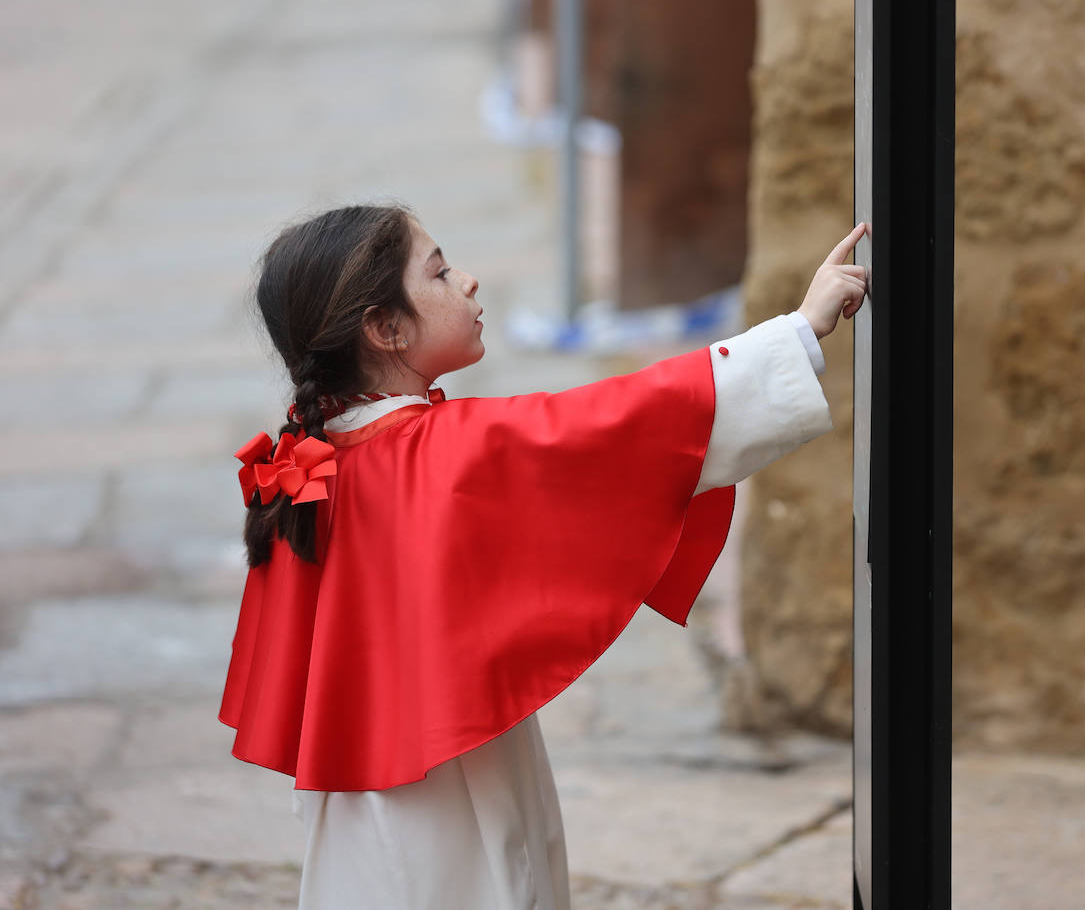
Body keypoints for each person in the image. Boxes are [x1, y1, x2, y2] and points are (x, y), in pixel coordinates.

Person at [219, 203, 869, 909]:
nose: (468, 282)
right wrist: (801, 329)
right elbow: (624, 425)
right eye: (439, 272)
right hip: (447, 775)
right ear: (387, 328)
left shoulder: (317, 462)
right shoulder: (439, 452)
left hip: (364, 782)